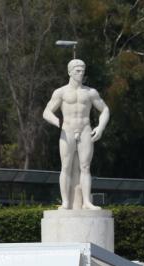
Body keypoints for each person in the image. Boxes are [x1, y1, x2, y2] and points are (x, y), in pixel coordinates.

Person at [43, 59, 110, 210]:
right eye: (77, 70)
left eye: (83, 70)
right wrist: (57, 122)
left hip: (85, 129)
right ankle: (65, 202)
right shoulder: (61, 92)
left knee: (85, 167)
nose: (81, 73)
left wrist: (100, 127)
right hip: (67, 131)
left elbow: (105, 110)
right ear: (70, 72)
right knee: (65, 167)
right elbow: (46, 112)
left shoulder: (91, 92)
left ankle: (87, 201)